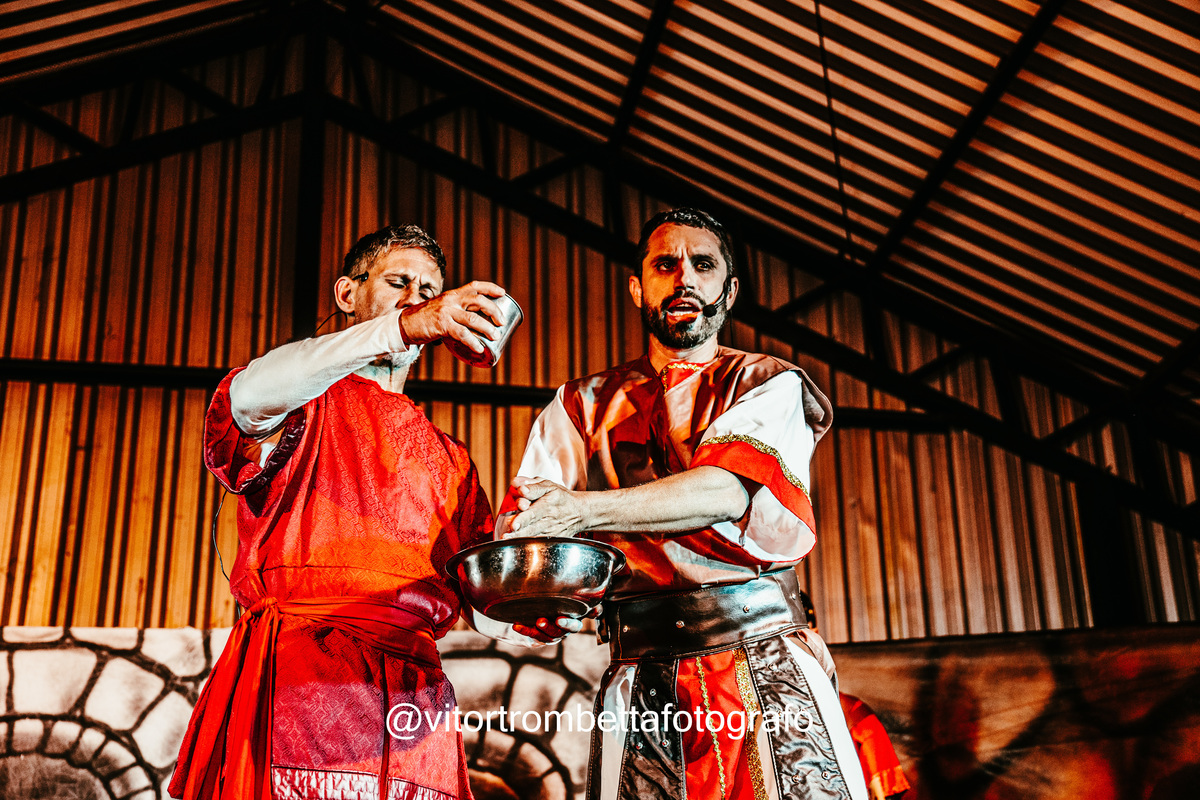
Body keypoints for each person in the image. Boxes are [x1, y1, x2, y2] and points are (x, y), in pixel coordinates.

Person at [497, 208, 869, 800]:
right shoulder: (577, 404)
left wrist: (582, 511)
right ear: (637, 287)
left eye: (703, 264)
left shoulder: (770, 382)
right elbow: (526, 530)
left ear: (730, 290)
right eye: (665, 265)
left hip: (763, 662)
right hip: (638, 672)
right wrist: (541, 597)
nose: (685, 278)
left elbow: (723, 491)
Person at [170, 225, 510, 800]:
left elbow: (488, 604)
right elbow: (247, 397)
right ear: (347, 294)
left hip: (415, 703)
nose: (417, 299)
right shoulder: (302, 401)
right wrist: (404, 326)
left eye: (430, 290)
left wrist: (543, 608)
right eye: (399, 282)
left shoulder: (451, 458)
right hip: (302, 680)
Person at [798, 592, 911, 800]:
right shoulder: (748, 721)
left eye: (795, 636)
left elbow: (886, 793)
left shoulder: (855, 717)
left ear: (813, 635)